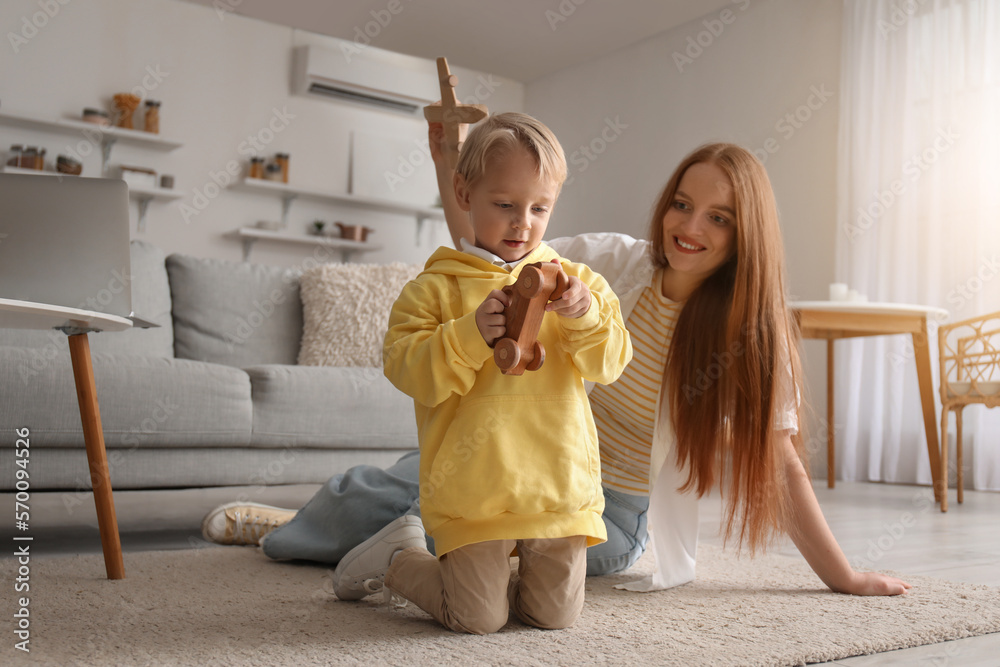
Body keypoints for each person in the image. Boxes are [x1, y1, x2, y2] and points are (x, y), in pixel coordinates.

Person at [202, 121, 911, 598]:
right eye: (683, 204)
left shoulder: (750, 333)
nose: (689, 227)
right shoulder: (610, 261)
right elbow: (498, 248)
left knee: (496, 552)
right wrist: (449, 167)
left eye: (718, 217)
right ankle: (290, 527)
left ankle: (395, 551)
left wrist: (843, 576)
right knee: (398, 491)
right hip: (511, 449)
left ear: (745, 232)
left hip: (606, 503)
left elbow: (782, 463)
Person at [350, 112, 631, 634]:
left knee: (553, 617)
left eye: (539, 208)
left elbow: (611, 363)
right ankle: (398, 557)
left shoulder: (579, 285)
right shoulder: (433, 289)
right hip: (473, 492)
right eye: (504, 205)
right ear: (463, 194)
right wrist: (467, 335)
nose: (523, 222)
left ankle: (486, 578)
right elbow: (409, 370)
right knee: (476, 617)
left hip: (558, 488)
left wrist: (584, 316)